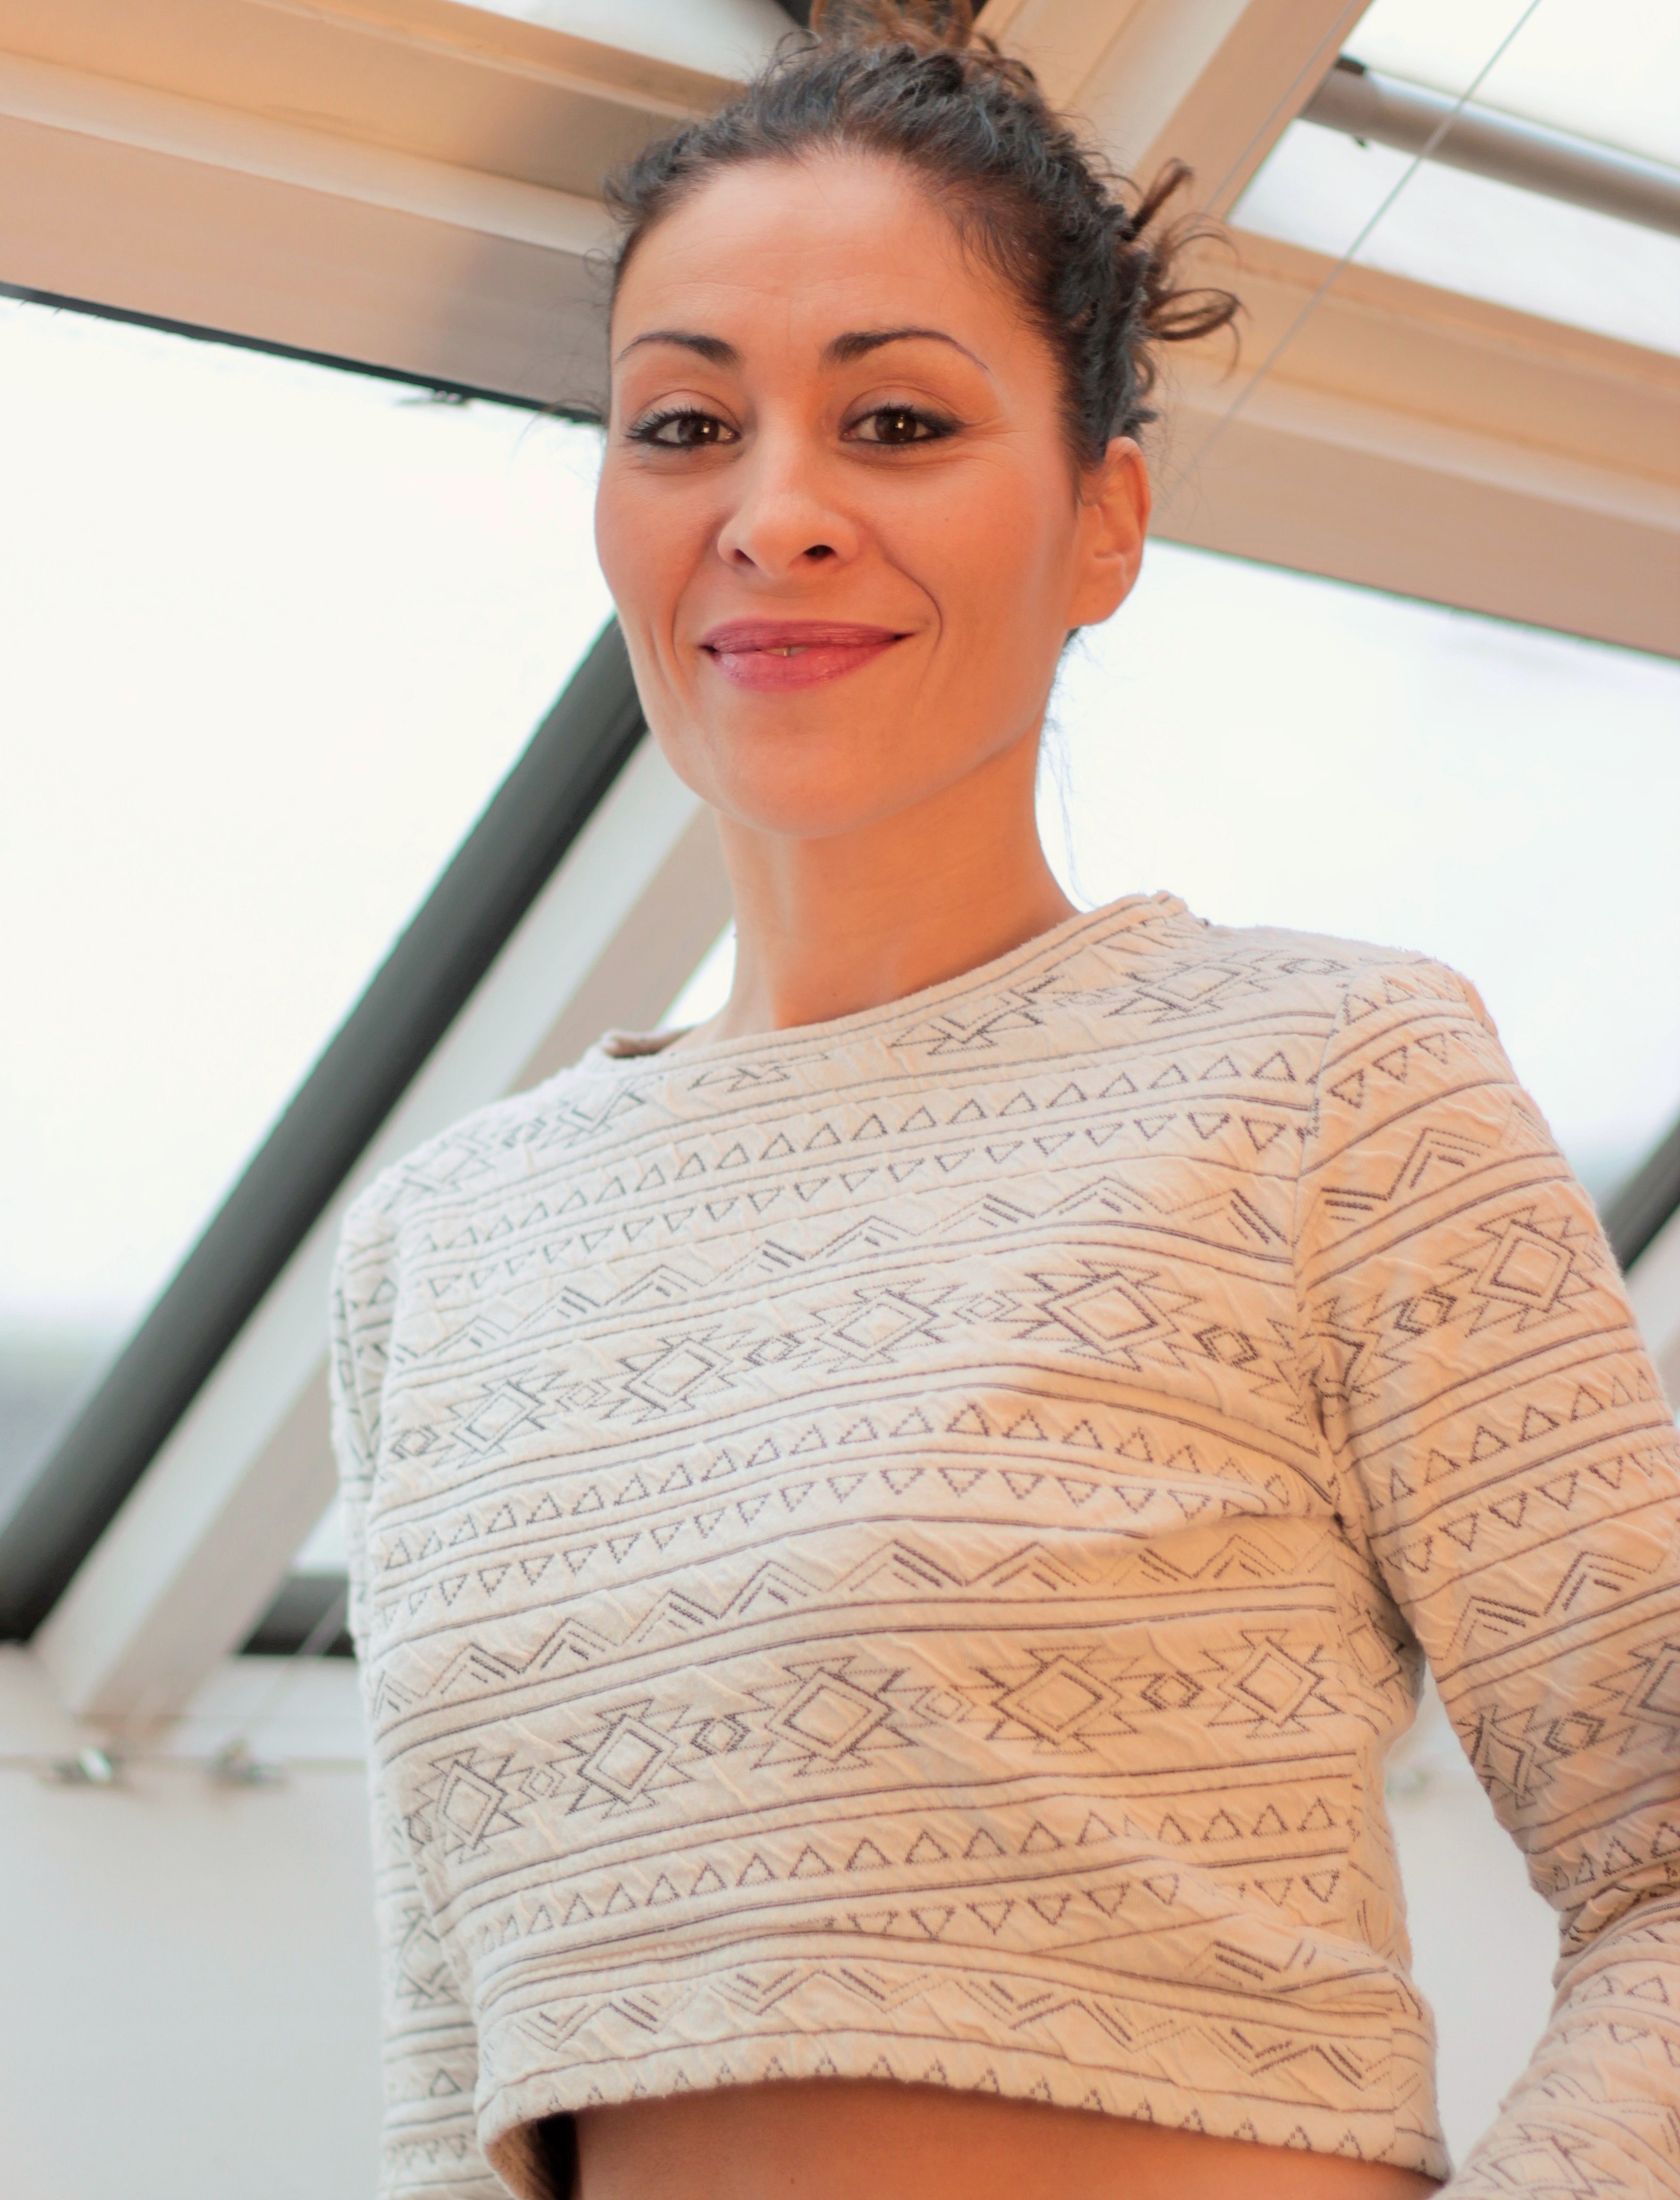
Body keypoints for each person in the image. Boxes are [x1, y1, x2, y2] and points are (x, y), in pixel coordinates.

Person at [328, 5, 1680, 2196]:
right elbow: (448, 2074)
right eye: (684, 425)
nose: (775, 515)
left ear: (1101, 521)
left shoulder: (1332, 1088)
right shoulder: (438, 1246)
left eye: (895, 421)